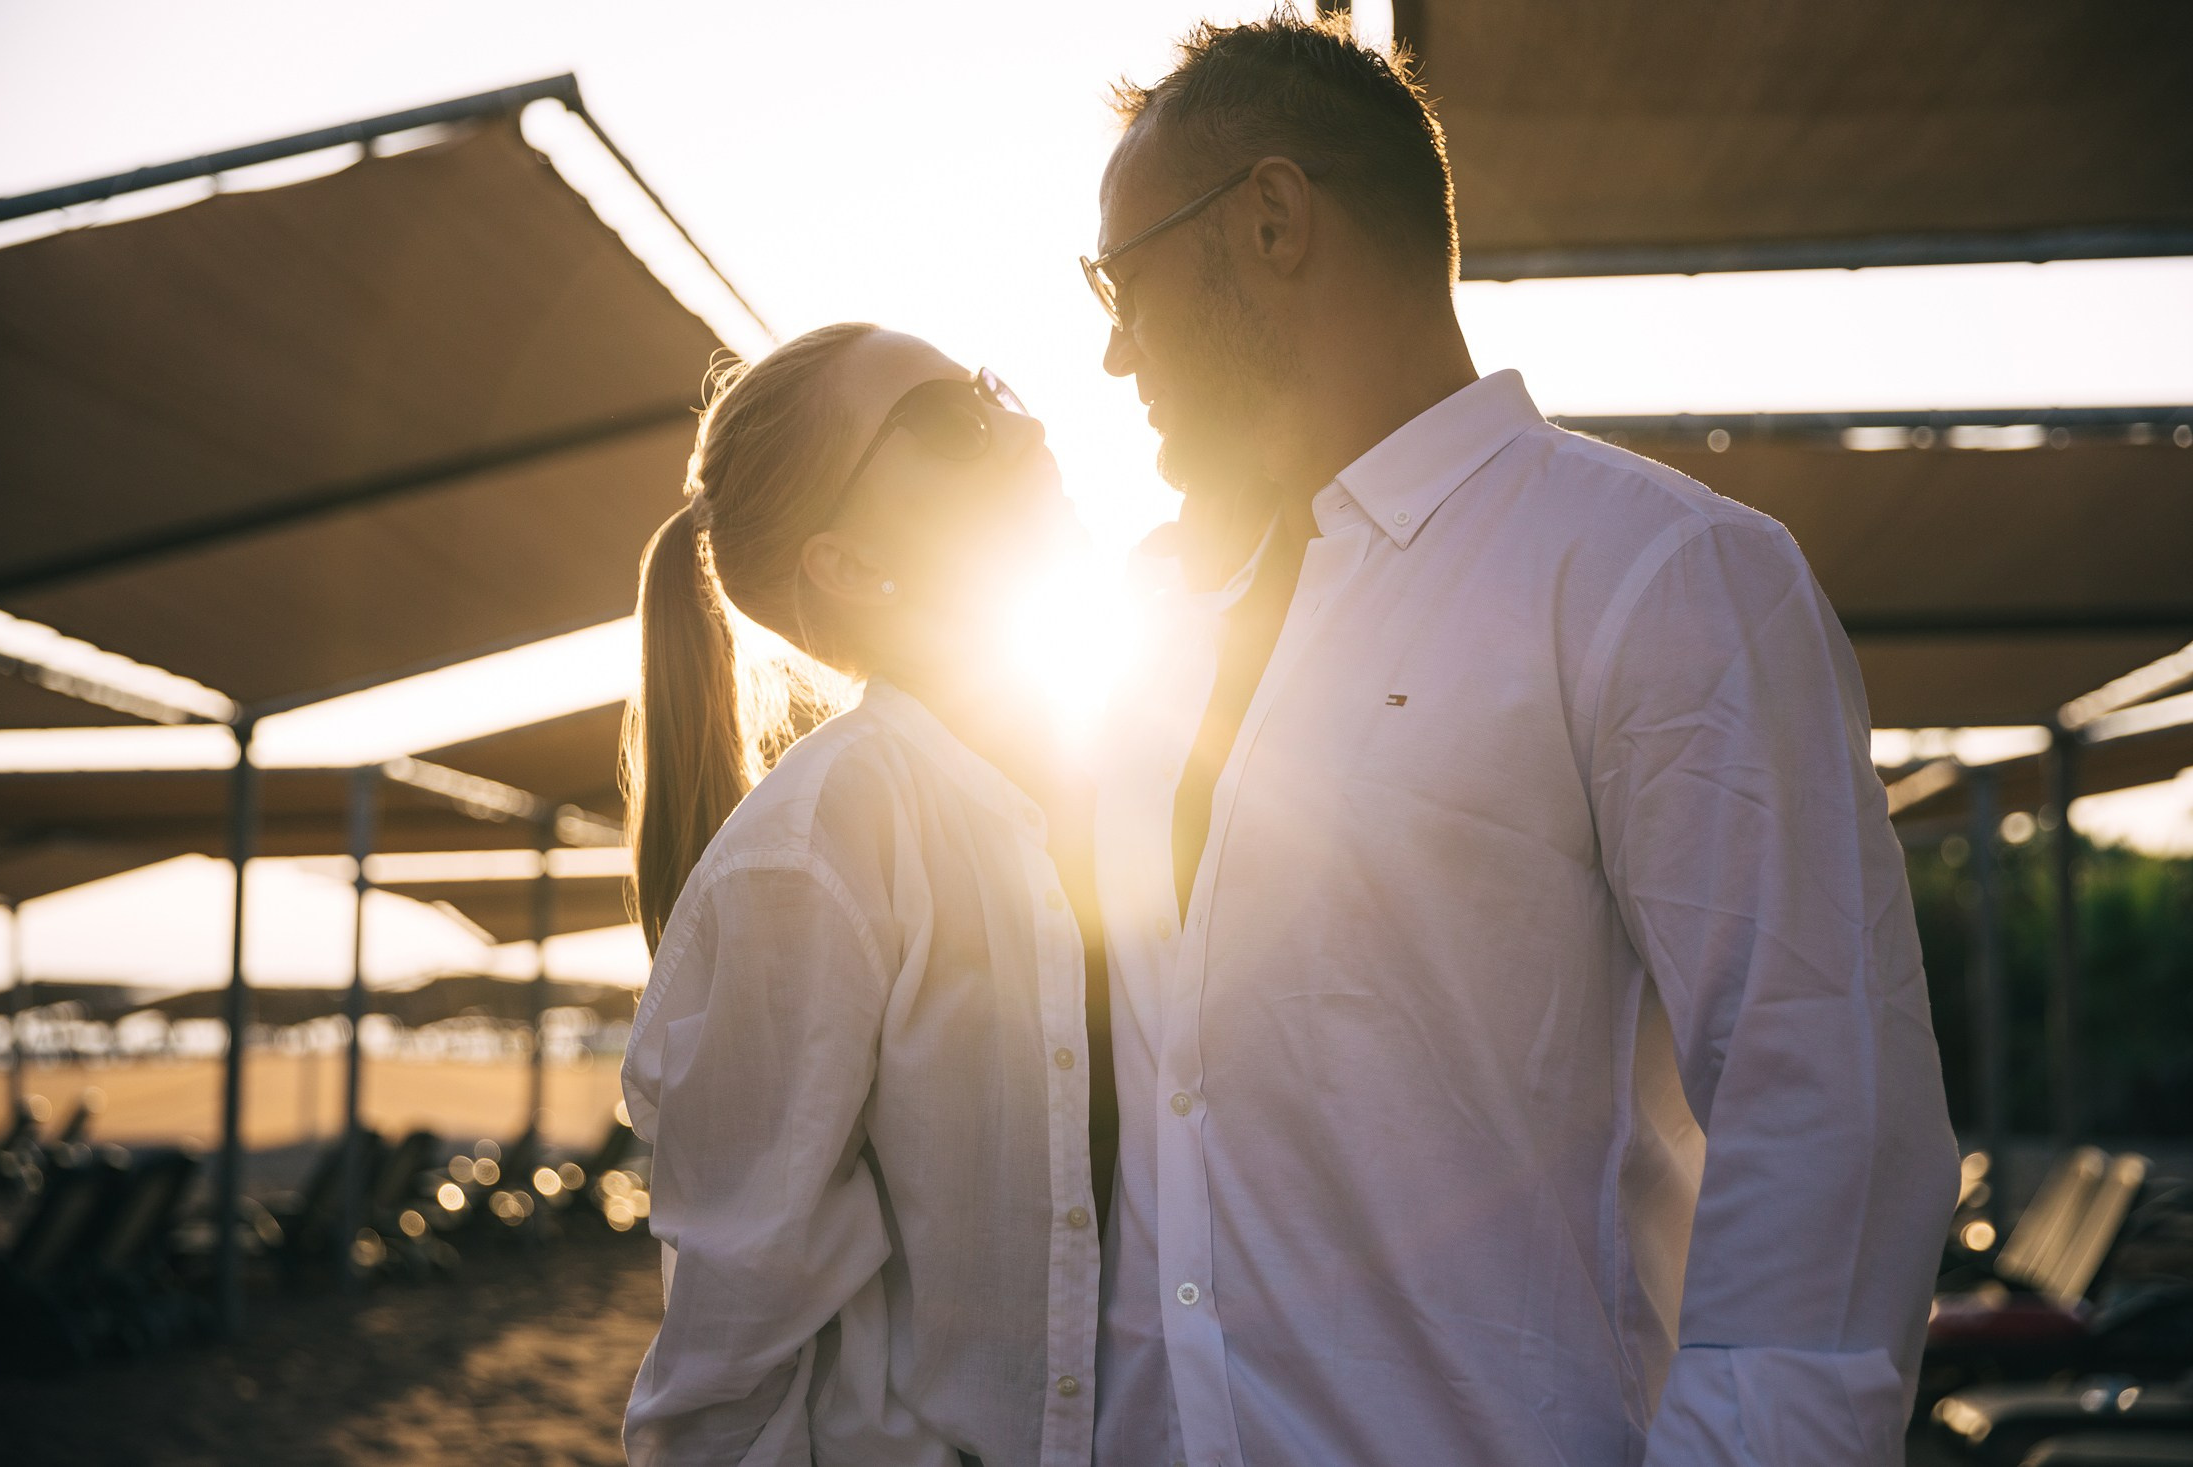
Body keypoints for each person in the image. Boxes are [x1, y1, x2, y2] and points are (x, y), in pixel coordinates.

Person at [1083, 16, 1960, 1465]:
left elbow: (1827, 1114)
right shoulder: (1166, 626)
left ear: (1273, 218)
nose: (1113, 354)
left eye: (1121, 283)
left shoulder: (1657, 574)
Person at [617, 323, 1112, 1467]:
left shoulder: (1144, 775)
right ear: (846, 564)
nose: (1028, 424)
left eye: (992, 385)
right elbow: (724, 1377)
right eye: (952, 422)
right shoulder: (812, 851)